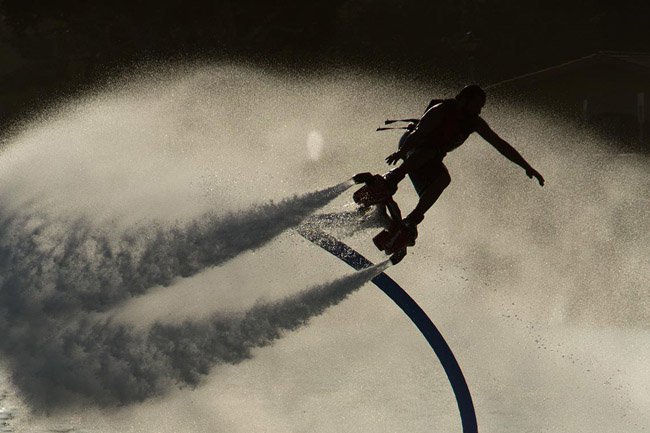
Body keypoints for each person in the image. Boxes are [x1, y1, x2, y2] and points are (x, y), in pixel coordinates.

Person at [379, 84, 545, 242]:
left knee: (444, 179)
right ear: (463, 100)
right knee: (429, 152)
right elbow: (418, 133)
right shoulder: (441, 110)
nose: (479, 111)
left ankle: (412, 220)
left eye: (481, 107)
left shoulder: (474, 123)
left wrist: (526, 167)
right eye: (476, 105)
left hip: (430, 158)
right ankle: (391, 180)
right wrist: (401, 152)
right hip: (411, 145)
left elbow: (500, 145)